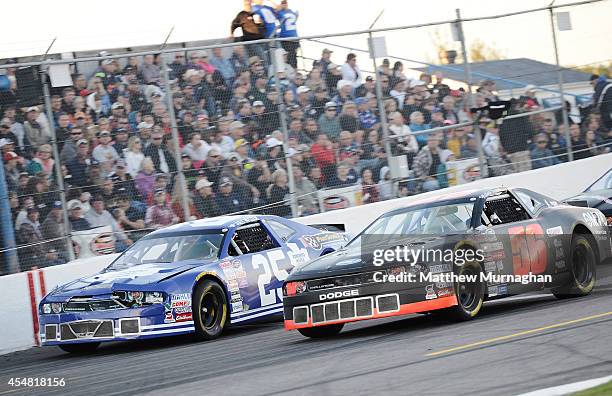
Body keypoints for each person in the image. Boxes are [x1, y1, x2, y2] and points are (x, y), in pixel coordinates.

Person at [276, 0, 300, 68]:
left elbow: (293, 20)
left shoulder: (291, 11)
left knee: (294, 56)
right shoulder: (280, 12)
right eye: (282, 3)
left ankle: (294, 72)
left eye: (285, 3)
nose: (284, 4)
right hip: (285, 38)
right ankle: (289, 70)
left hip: (294, 37)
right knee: (288, 57)